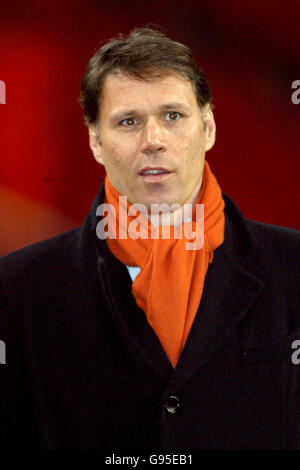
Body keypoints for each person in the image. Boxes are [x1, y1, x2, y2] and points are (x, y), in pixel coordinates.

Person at [0, 27, 299, 451]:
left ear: (209, 127)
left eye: (173, 116)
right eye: (128, 121)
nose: (153, 141)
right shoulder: (17, 287)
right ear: (95, 140)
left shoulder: (294, 268)